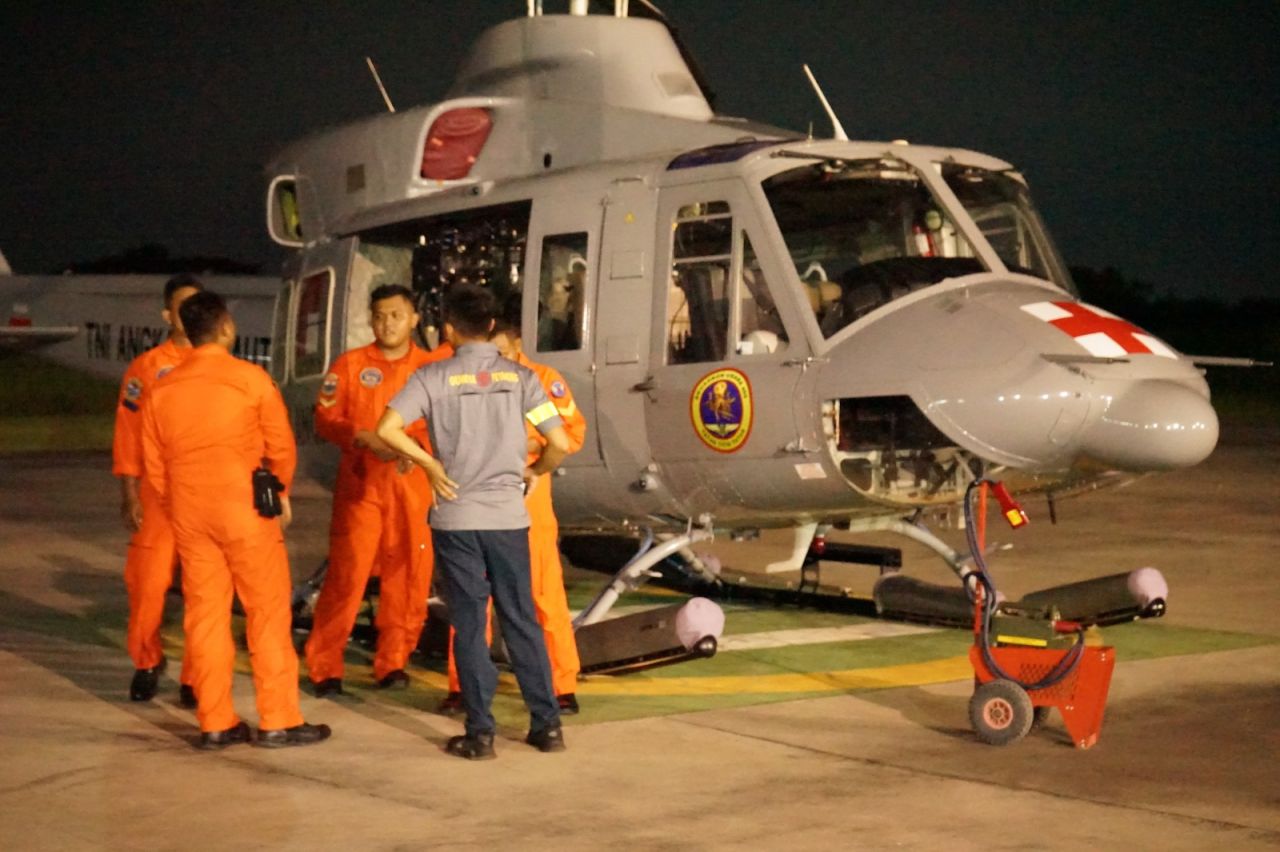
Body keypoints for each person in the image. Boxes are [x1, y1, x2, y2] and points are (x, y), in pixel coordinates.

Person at [376, 284, 570, 760]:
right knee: (521, 620)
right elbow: (560, 442)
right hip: (508, 518)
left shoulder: (432, 377)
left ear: (447, 329)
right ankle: (546, 727)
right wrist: (535, 472)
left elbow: (386, 430)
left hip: (455, 518)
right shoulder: (522, 379)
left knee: (469, 624)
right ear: (490, 327)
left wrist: (429, 464)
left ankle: (480, 733)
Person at [141, 291, 329, 750]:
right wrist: (277, 491)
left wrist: (182, 501)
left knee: (205, 616)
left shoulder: (161, 388)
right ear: (226, 327)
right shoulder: (249, 378)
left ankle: (215, 721)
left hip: (189, 511)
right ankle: (278, 719)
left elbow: (154, 463)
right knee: (265, 612)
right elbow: (281, 446)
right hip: (243, 508)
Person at [439, 295, 586, 715]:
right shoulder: (467, 379)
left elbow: (571, 434)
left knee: (542, 594)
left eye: (501, 353)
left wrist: (534, 460)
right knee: (470, 599)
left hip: (528, 503)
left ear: (517, 345)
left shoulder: (541, 380)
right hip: (476, 500)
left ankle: (560, 685)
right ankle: (462, 685)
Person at [305, 284, 452, 696]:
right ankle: (325, 665)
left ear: (414, 320)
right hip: (362, 485)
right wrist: (362, 436)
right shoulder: (351, 365)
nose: (387, 323)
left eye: (396, 316)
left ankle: (393, 661)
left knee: (409, 576)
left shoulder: (430, 368)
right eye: (380, 316)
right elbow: (325, 416)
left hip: (412, 486)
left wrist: (418, 449)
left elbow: (443, 424)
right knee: (347, 576)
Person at [112, 273, 201, 705]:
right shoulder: (146, 368)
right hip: (158, 492)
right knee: (148, 584)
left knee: (205, 589)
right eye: (182, 306)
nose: (190, 314)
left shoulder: (219, 363)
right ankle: (147, 662)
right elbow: (128, 432)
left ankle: (196, 674)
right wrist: (129, 493)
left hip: (206, 494)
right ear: (167, 314)